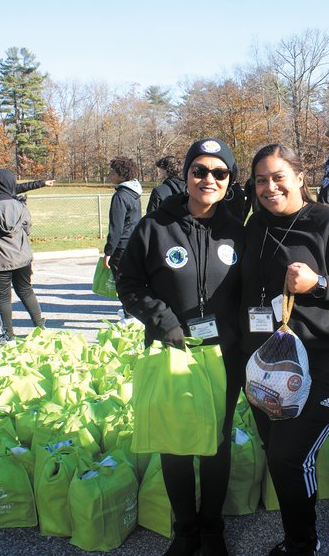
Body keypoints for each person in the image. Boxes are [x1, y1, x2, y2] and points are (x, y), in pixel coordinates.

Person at [241, 144, 329, 556]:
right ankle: (296, 533)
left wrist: (319, 284)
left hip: (326, 362)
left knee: (288, 458)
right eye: (261, 179)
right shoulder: (254, 226)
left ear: (301, 177)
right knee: (279, 454)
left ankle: (302, 545)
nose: (270, 187)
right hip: (269, 367)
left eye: (279, 176)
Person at [116, 138, 244, 556]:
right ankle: (185, 531)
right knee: (175, 444)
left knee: (216, 442)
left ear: (229, 180)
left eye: (219, 172)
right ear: (186, 175)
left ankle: (212, 529)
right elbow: (129, 283)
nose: (208, 179)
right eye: (199, 171)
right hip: (174, 349)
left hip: (223, 354)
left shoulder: (237, 228)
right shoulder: (154, 226)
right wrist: (163, 320)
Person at [0, 169, 46, 344]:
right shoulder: (20, 206)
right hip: (22, 257)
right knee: (26, 290)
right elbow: (27, 228)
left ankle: (8, 334)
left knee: (3, 298)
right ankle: (40, 327)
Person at [103, 156, 143, 322]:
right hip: (133, 243)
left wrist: (108, 252)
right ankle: (129, 311)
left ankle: (129, 316)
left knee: (122, 283)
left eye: (113, 172)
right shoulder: (135, 193)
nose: (110, 175)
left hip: (122, 247)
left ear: (122, 174)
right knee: (130, 281)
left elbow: (116, 227)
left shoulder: (121, 196)